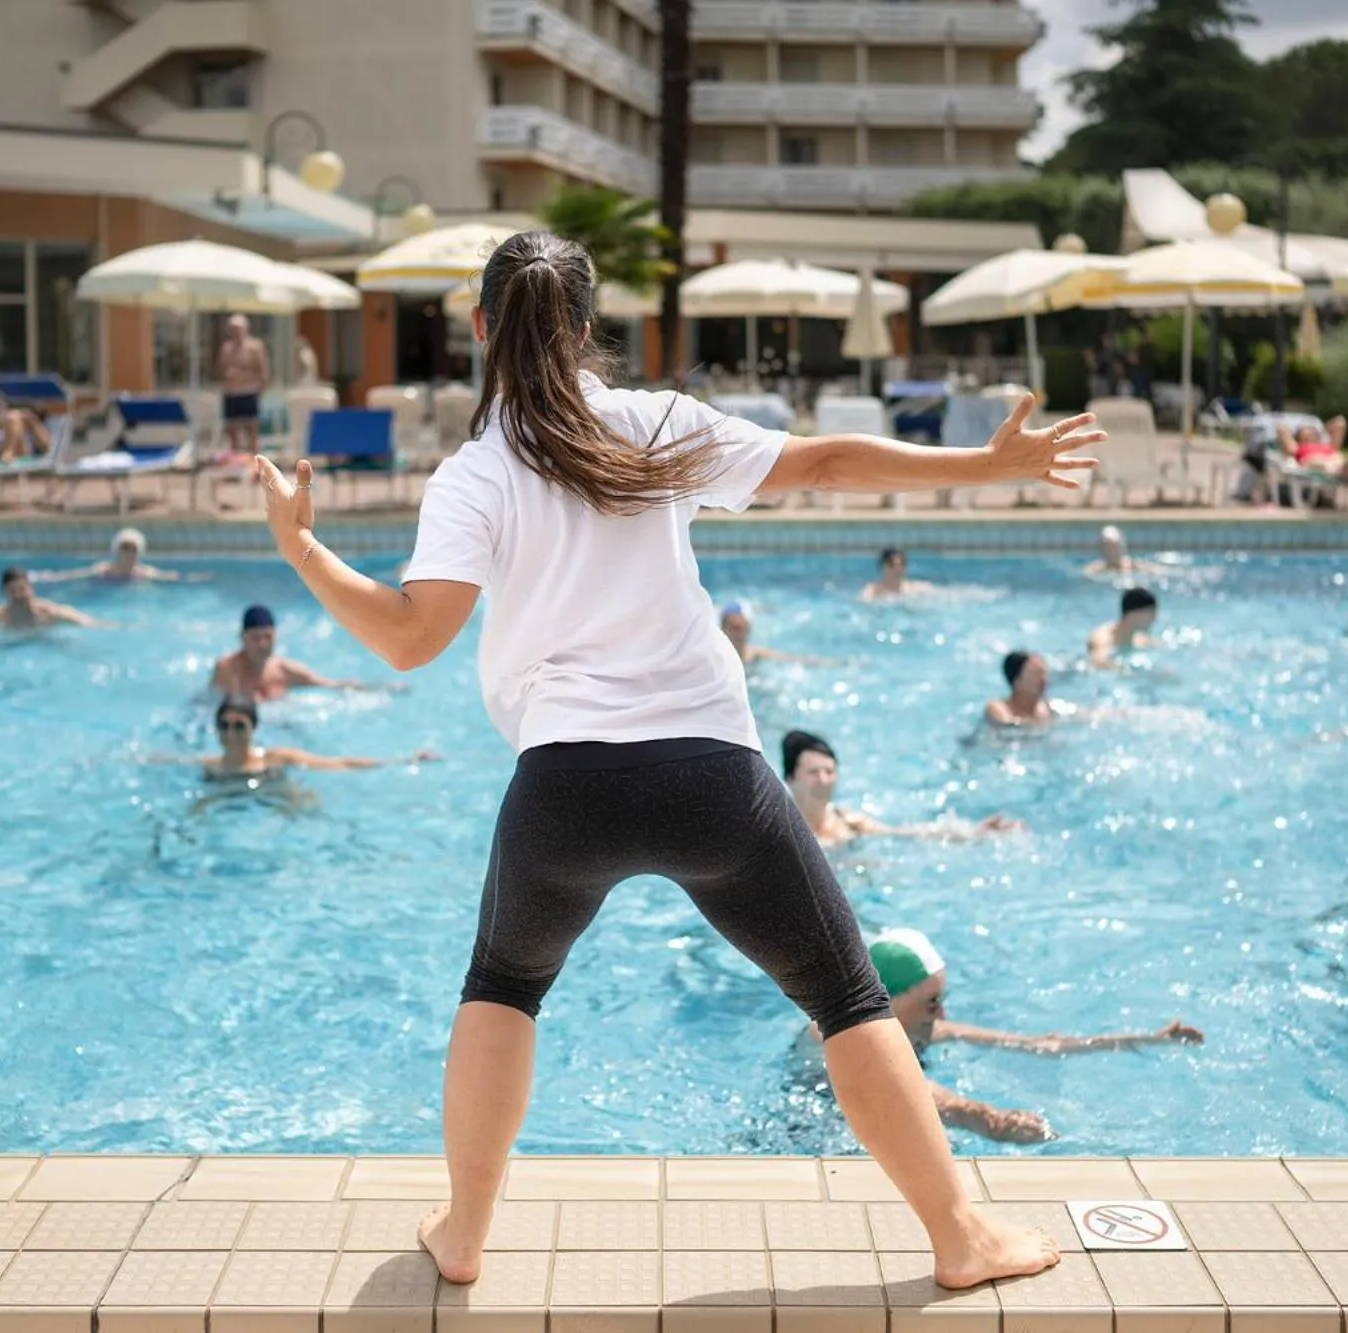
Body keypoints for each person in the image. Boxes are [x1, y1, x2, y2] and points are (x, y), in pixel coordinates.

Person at [250, 230, 1102, 1290]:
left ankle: (464, 1231)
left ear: (478, 330)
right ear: (583, 331)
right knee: (844, 995)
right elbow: (827, 461)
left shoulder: (474, 473)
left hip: (562, 787)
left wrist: (302, 548)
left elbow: (410, 637)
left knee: (501, 988)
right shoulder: (654, 422)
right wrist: (984, 461)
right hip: (711, 776)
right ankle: (957, 1237)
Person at [804, 929, 1203, 1143]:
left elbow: (1038, 1044)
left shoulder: (921, 1026)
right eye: (930, 1002)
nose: (941, 1014)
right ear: (884, 997)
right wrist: (993, 1121)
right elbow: (915, 1090)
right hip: (817, 1127)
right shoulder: (834, 1034)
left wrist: (1149, 1038)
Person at [783, 731, 1017, 846]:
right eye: (813, 773)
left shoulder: (848, 821)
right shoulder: (782, 831)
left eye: (830, 772)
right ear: (790, 778)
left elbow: (907, 833)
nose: (824, 780)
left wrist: (974, 832)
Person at [167, 697, 437, 779]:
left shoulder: (276, 758)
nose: (231, 734)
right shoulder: (210, 765)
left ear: (254, 729)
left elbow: (338, 763)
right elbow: (165, 760)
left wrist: (402, 760)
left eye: (239, 726)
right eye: (224, 726)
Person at [209, 604, 371, 698]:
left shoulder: (286, 670)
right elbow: (208, 702)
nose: (262, 644)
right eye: (256, 638)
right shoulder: (227, 668)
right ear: (242, 638)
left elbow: (329, 685)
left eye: (267, 637)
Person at [34, 529, 209, 585]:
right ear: (115, 550)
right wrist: (44, 577)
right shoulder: (102, 570)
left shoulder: (144, 573)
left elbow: (173, 577)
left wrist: (197, 578)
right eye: (124, 549)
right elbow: (71, 576)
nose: (128, 554)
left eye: (133, 550)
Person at [0, 567, 110, 631]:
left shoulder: (48, 612)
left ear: (31, 589)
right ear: (4, 593)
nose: (18, 596)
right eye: (12, 591)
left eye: (22, 589)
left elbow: (87, 622)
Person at [216, 314, 270, 455]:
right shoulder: (226, 348)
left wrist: (260, 388)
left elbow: (263, 370)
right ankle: (236, 460)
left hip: (249, 391)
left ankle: (253, 459)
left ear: (245, 330)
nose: (235, 332)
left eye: (238, 329)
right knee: (232, 429)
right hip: (231, 393)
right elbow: (220, 370)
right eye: (232, 329)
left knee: (251, 429)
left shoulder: (254, 347)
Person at [719, 603, 826, 667]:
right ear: (723, 630)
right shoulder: (718, 657)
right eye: (735, 628)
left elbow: (792, 658)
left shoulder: (754, 654)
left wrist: (825, 663)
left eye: (744, 628)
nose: (740, 634)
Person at [1088, 587, 1158, 667]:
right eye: (1151, 614)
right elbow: (1097, 661)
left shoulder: (1139, 638)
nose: (1154, 618)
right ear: (1133, 614)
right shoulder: (1102, 638)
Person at [985, 651, 1059, 727]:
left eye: (1043, 674)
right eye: (1035, 674)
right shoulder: (998, 708)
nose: (1044, 680)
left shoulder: (1048, 707)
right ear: (1017, 681)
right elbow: (1008, 726)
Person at [861, 548, 936, 601]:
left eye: (903, 565)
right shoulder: (872, 590)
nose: (899, 569)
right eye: (895, 565)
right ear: (884, 567)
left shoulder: (914, 588)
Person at [1277, 415, 1348, 468]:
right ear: (1299, 435)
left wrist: (1322, 431)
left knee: (1345, 460)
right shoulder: (1297, 447)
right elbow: (1281, 428)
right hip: (1314, 462)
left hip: (1335, 460)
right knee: (1320, 462)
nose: (1310, 432)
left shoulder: (1327, 445)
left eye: (1311, 430)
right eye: (1305, 429)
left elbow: (1340, 422)